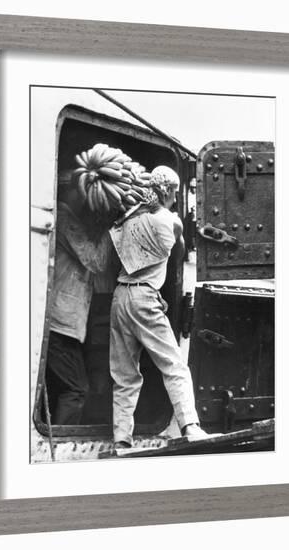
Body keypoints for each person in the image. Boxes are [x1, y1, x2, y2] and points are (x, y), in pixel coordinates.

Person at [108, 165, 208, 448]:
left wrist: (143, 207)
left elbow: (134, 257)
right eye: (175, 192)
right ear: (165, 190)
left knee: (125, 375)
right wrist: (159, 210)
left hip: (120, 296)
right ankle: (190, 427)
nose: (176, 198)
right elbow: (179, 239)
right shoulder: (168, 220)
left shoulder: (128, 219)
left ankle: (121, 440)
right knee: (174, 364)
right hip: (143, 300)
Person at [45, 169, 114, 425]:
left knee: (68, 388)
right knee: (76, 390)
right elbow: (96, 261)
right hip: (60, 325)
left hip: (67, 325)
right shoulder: (65, 219)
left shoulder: (68, 220)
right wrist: (111, 225)